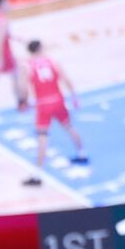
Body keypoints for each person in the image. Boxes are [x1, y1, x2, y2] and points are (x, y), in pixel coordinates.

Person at [22, 41, 88, 185]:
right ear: (40, 49)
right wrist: (74, 97)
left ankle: (37, 174)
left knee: (42, 136)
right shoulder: (53, 61)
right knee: (69, 127)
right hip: (58, 100)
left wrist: (25, 102)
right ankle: (82, 154)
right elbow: (66, 79)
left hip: (43, 103)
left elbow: (25, 88)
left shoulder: (27, 65)